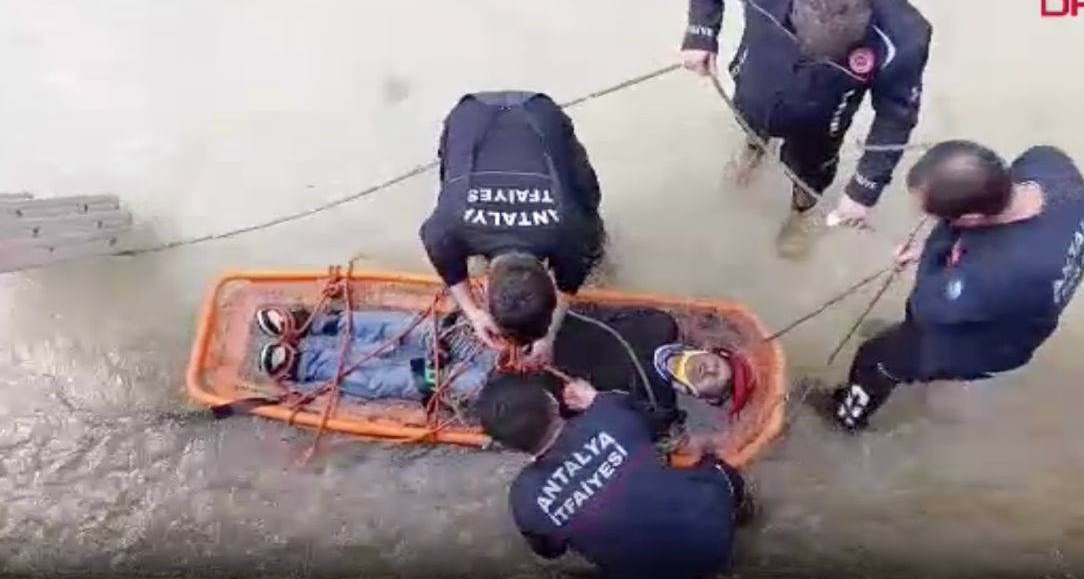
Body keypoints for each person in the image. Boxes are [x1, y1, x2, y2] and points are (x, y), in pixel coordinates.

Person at [679, 0, 932, 258]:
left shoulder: (904, 37)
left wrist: (863, 190)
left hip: (822, 118)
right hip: (756, 78)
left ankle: (801, 212)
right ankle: (753, 148)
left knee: (811, 169)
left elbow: (896, 115)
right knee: (749, 117)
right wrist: (701, 32)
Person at [831, 141, 1084, 433]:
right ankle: (918, 364)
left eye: (937, 218)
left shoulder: (996, 274)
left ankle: (846, 418)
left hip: (985, 343)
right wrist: (931, 247)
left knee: (876, 358)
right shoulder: (1049, 165)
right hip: (1013, 304)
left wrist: (933, 252)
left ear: (970, 218)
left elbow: (928, 305)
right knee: (906, 338)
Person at [477, 374, 752, 579]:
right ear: (552, 401)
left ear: (504, 445)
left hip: (644, 572)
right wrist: (596, 399)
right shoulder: (610, 412)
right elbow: (651, 420)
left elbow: (550, 551)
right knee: (719, 473)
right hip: (715, 538)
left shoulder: (526, 498)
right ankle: (743, 510)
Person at [419, 91, 605, 345]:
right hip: (474, 118)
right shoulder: (448, 228)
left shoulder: (571, 229)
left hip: (533, 114)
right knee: (453, 187)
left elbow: (444, 261)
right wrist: (474, 314)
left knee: (587, 200)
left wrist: (547, 337)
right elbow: (441, 255)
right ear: (484, 290)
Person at [255, 252, 560, 406]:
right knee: (408, 329)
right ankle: (320, 325)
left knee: (396, 378)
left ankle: (306, 365)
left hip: (492, 382)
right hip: (496, 347)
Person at [550, 306, 757, 440]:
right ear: (707, 351)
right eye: (718, 365)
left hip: (543, 387)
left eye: (716, 379)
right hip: (547, 329)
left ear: (703, 398)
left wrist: (596, 405)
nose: (710, 370)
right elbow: (594, 312)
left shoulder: (657, 409)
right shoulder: (660, 323)